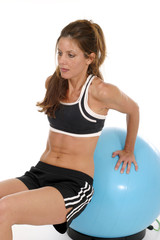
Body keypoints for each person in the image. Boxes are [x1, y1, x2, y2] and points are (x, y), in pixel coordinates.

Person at [0, 19, 139, 239]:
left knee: (3, 210)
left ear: (90, 58)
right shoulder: (53, 83)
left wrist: (129, 149)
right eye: (60, 53)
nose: (62, 61)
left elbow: (133, 109)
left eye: (71, 55)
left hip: (73, 184)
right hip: (39, 173)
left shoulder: (100, 91)